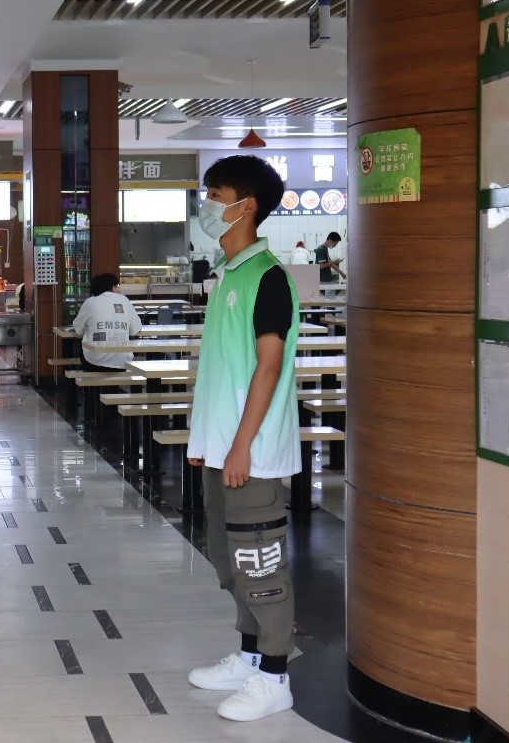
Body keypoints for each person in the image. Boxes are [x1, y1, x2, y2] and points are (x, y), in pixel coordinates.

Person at [185, 155, 301, 723]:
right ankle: (251, 657)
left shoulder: (268, 277)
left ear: (246, 206)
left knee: (259, 565)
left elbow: (268, 367)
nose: (206, 204)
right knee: (228, 560)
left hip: (250, 452)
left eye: (215, 194)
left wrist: (240, 445)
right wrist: (207, 440)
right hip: (222, 447)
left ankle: (275, 676)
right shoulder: (228, 273)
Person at [72, 272, 138, 371]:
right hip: (123, 362)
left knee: (81, 346)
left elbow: (78, 330)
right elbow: (135, 330)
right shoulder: (124, 300)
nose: (118, 289)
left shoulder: (90, 302)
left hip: (94, 363)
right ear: (112, 287)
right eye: (117, 286)